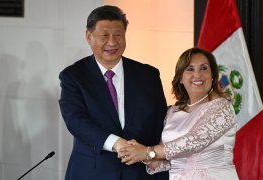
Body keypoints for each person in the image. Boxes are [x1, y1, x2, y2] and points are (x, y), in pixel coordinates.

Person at [58, 5, 169, 180]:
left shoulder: (148, 75)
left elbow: (161, 126)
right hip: (92, 172)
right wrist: (117, 144)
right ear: (89, 36)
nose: (112, 42)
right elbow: (75, 121)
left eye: (118, 35)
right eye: (104, 36)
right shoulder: (73, 76)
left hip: (140, 173)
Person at [117, 47, 239, 180]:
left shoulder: (222, 107)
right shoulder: (172, 112)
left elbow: (193, 141)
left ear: (213, 76)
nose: (197, 75)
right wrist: (141, 154)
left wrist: (146, 152)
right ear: (180, 78)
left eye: (204, 68)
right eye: (190, 69)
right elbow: (166, 162)